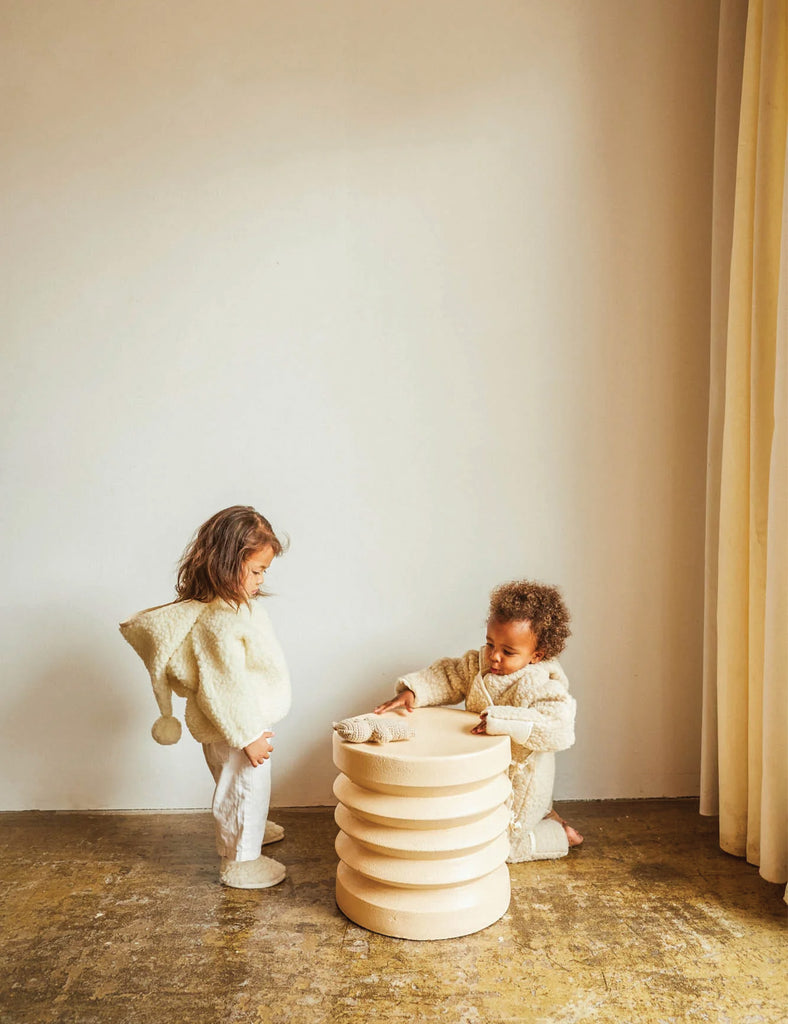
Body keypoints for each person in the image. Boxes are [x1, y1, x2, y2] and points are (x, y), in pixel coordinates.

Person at [120, 506, 291, 889]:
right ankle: (241, 862)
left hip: (234, 723)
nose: (262, 580)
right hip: (235, 727)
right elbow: (223, 683)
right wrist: (247, 735)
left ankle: (250, 829)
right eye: (257, 571)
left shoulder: (230, 608)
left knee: (239, 788)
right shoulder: (219, 620)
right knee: (243, 788)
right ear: (227, 565)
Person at [374, 579, 582, 862]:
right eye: (490, 644)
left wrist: (502, 721)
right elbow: (450, 675)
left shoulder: (541, 684)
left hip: (521, 786)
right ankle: (547, 812)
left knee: (493, 847)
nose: (494, 656)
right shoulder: (481, 666)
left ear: (537, 655)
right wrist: (414, 691)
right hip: (483, 774)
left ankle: (557, 835)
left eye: (508, 652)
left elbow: (559, 727)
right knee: (458, 823)